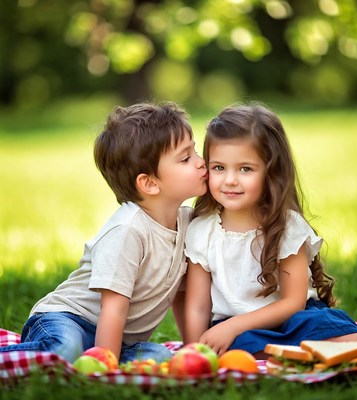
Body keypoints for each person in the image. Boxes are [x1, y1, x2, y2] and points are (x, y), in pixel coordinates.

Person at [183, 103, 357, 359]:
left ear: (272, 172)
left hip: (292, 317)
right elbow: (197, 306)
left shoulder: (286, 226)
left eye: (246, 169)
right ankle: (307, 355)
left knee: (318, 325)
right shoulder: (202, 230)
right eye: (219, 167)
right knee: (240, 346)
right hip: (235, 329)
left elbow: (292, 303)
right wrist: (194, 352)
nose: (230, 180)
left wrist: (234, 325)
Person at [0, 102, 208, 364]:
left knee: (160, 356)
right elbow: (113, 309)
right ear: (150, 183)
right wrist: (105, 367)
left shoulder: (188, 224)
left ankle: (89, 359)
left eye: (195, 151)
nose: (202, 163)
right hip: (68, 319)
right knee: (62, 350)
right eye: (186, 158)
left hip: (117, 339)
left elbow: (180, 294)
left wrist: (193, 351)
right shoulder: (128, 230)